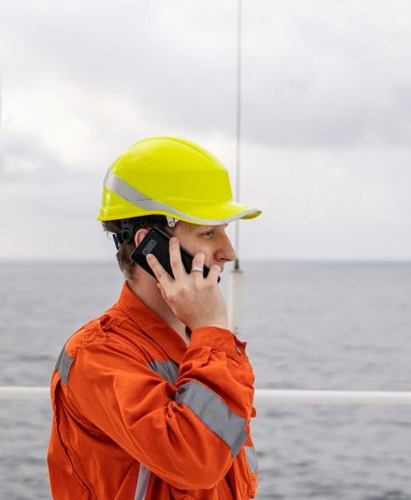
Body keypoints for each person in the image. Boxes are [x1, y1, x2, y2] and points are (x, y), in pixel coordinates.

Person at [47, 137, 262, 500]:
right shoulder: (98, 355)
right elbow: (196, 461)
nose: (228, 252)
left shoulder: (197, 343)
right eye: (208, 233)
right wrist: (212, 331)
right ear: (152, 246)